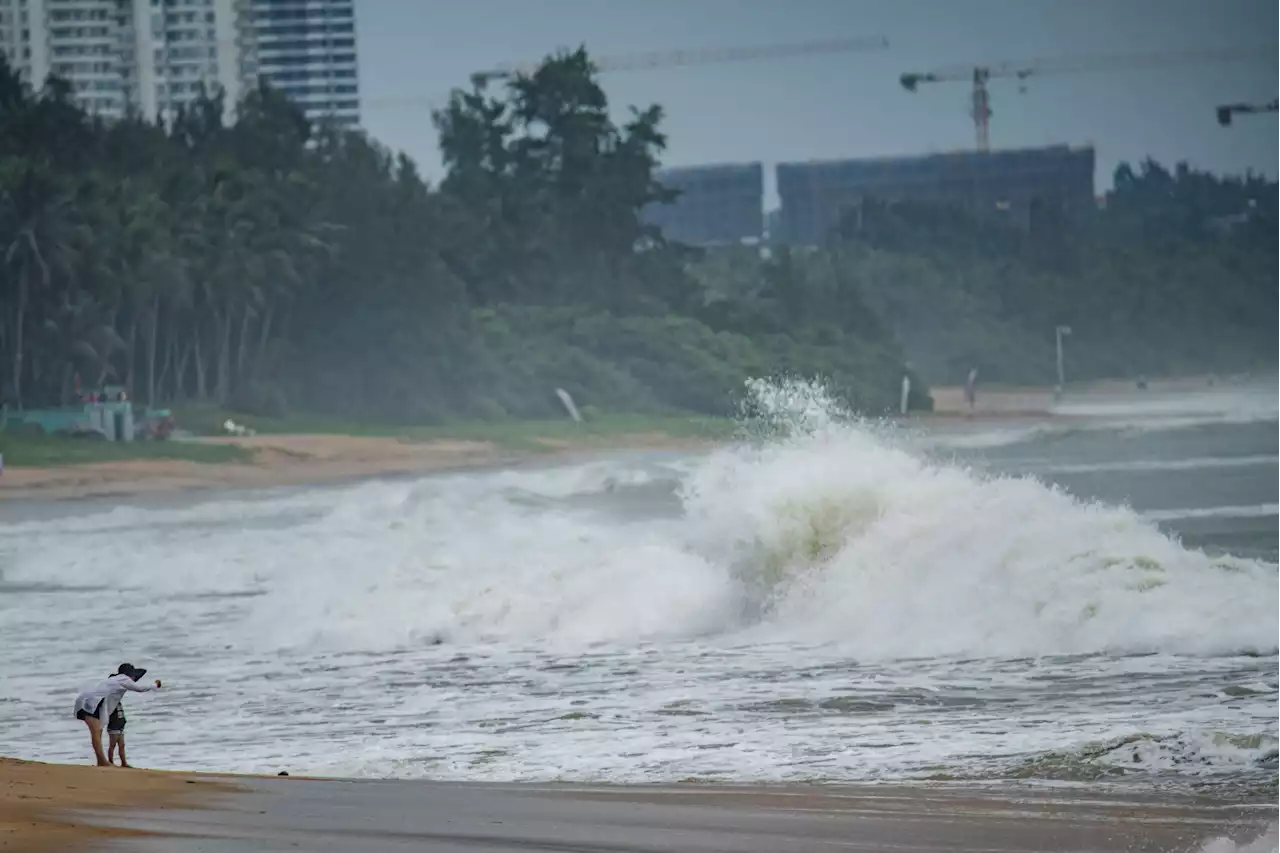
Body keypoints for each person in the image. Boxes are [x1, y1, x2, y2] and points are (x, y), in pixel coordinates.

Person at [73, 664, 161, 767]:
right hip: (92, 704)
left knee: (97, 732)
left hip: (88, 702)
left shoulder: (114, 679)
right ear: (130, 675)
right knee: (96, 733)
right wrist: (154, 685)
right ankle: (102, 762)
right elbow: (139, 688)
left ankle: (101, 761)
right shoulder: (123, 679)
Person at [106, 702, 129, 767]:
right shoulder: (110, 703)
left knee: (122, 745)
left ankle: (124, 763)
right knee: (112, 745)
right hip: (113, 727)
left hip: (120, 726)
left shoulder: (119, 703)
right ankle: (110, 762)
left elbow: (121, 713)